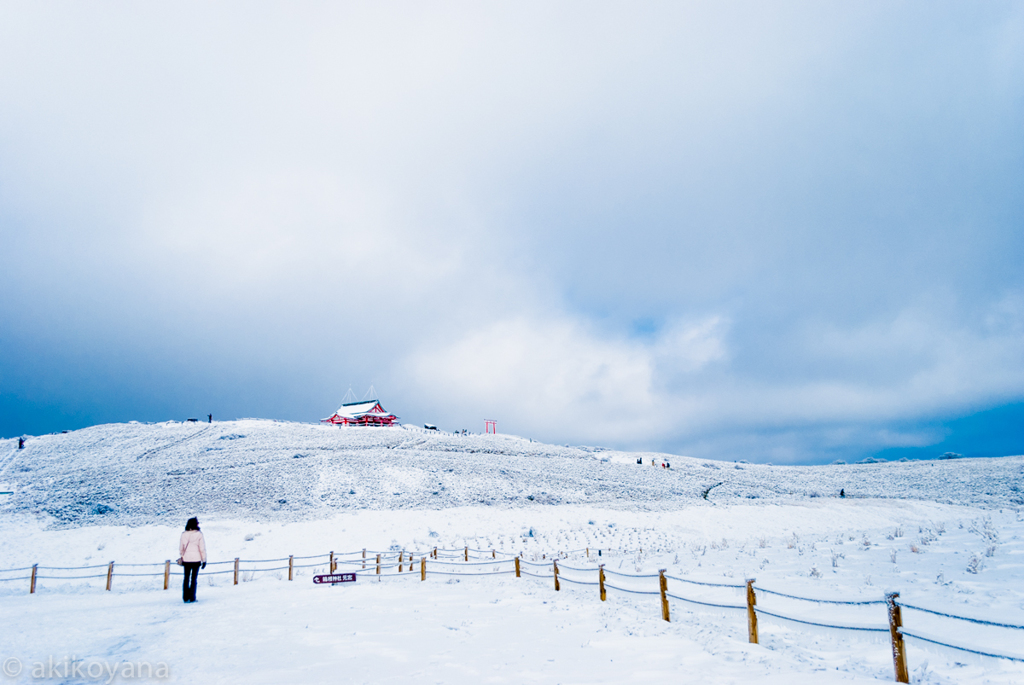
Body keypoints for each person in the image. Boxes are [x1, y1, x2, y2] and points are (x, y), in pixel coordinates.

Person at [179, 517, 207, 603]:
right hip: (196, 559)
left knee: (186, 578)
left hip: (186, 560)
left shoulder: (183, 534)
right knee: (194, 579)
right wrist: (204, 560)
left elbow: (181, 548)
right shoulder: (199, 534)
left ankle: (185, 597)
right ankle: (192, 597)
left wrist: (183, 555)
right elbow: (202, 548)